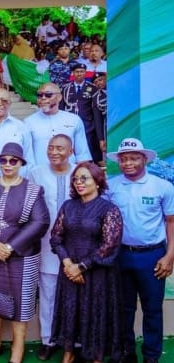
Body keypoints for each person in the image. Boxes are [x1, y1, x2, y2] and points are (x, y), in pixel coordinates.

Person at [0, 143, 49, 363]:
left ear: (21, 163)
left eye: (13, 160)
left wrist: (10, 247)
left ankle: (18, 347)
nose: (7, 164)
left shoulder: (33, 189)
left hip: (21, 256)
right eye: (3, 160)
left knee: (20, 301)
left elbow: (40, 222)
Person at [107, 138, 174, 363]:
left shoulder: (162, 186)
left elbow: (171, 223)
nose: (128, 163)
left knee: (152, 309)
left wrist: (169, 256)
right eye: (124, 159)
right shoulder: (111, 186)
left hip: (152, 256)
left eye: (134, 158)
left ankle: (151, 356)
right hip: (121, 256)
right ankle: (126, 353)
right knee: (124, 309)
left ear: (144, 159)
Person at [50, 161, 123, 363]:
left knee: (95, 314)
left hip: (98, 273)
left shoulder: (109, 209)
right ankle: (68, 352)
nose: (79, 182)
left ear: (98, 182)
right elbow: (56, 237)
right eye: (75, 179)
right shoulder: (68, 205)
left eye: (85, 178)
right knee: (70, 311)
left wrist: (81, 267)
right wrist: (68, 265)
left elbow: (110, 245)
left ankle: (96, 356)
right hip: (69, 271)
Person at [27, 134, 76, 361]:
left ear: (71, 150)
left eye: (60, 148)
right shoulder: (36, 173)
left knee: (75, 295)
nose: (54, 152)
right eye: (50, 147)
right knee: (47, 292)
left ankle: (73, 340)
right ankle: (48, 340)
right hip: (46, 242)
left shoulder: (80, 172)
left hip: (77, 244)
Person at [24, 83, 91, 166]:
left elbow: (82, 154)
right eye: (39, 95)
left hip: (69, 174)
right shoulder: (28, 122)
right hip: (40, 174)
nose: (43, 98)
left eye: (48, 95)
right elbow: (27, 155)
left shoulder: (74, 120)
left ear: (59, 97)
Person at [60, 63, 101, 163]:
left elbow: (95, 109)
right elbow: (61, 107)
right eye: (77, 72)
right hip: (69, 124)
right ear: (73, 73)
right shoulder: (66, 88)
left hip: (87, 124)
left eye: (82, 72)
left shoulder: (92, 88)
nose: (79, 74)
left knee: (88, 147)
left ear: (85, 73)